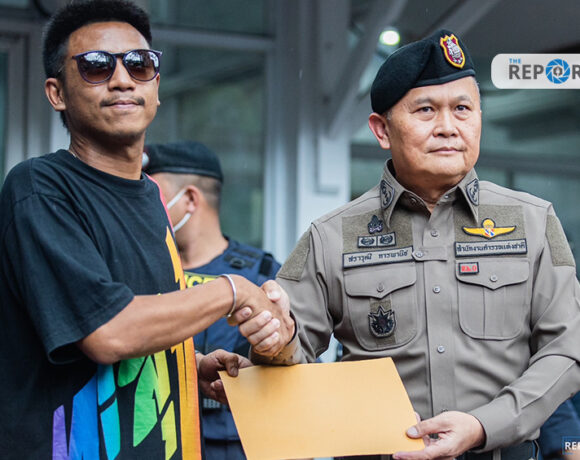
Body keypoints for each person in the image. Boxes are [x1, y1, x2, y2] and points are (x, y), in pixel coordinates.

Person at [248, 29, 580, 459]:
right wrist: (274, 340)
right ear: (381, 130)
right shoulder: (330, 236)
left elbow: (567, 348)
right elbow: (287, 358)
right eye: (426, 110)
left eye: (462, 109)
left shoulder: (533, 222)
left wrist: (484, 425)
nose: (448, 128)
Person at [0, 1, 293, 458]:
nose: (122, 79)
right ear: (57, 93)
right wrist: (233, 290)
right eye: (96, 66)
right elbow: (107, 331)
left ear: (156, 87)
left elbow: (137, 326)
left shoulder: (150, 199)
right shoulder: (40, 187)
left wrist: (188, 365)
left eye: (139, 64)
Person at [143, 140, 282, 460]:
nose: (144, 205)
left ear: (190, 199)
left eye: (154, 194)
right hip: (159, 442)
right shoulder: (143, 273)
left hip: (235, 447)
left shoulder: (261, 275)